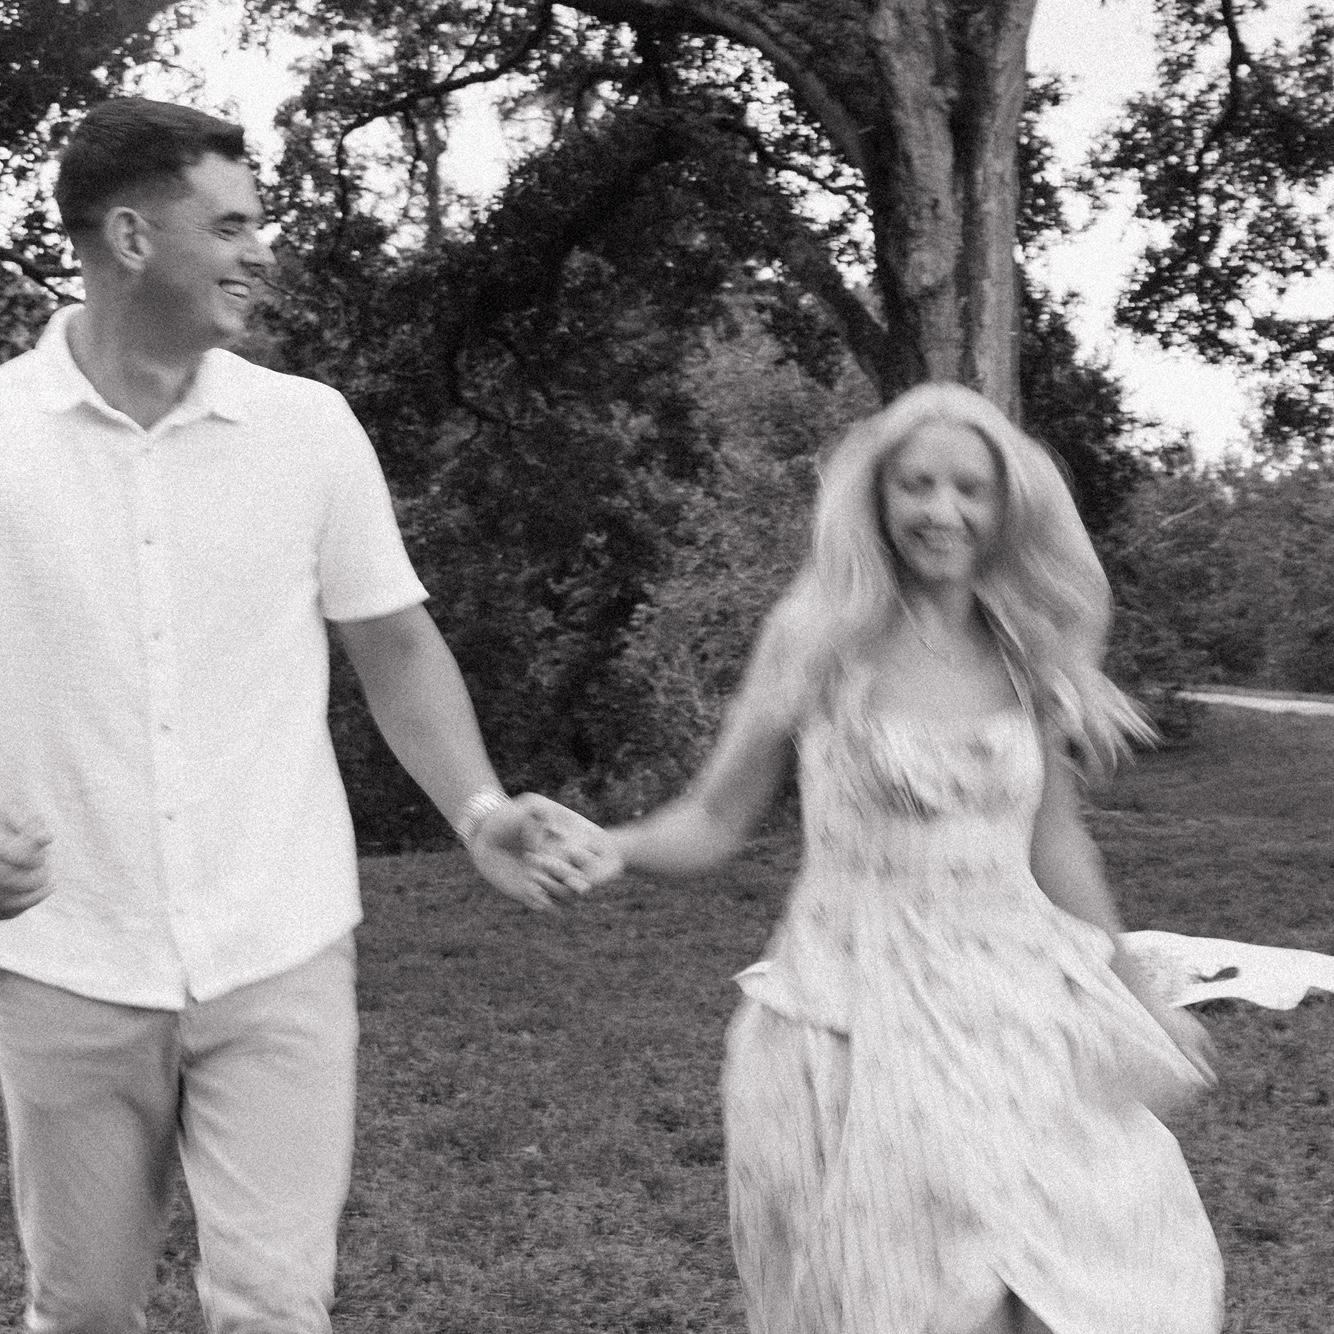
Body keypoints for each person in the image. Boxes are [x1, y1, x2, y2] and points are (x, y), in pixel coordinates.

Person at [0, 96, 594, 1334]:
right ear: (129, 237)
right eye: (229, 225)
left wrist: (476, 807)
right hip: (65, 958)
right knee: (85, 1310)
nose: (260, 252)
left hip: (280, 943)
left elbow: (394, 643)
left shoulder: (306, 428)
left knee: (276, 1307)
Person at [570, 384, 1226, 1334]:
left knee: (1089, 1288)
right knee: (923, 1303)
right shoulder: (818, 639)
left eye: (969, 488)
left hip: (1014, 1015)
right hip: (859, 1016)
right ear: (876, 497)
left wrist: (1141, 995)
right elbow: (714, 816)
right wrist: (616, 845)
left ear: (1006, 507)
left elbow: (1056, 845)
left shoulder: (1025, 649)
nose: (942, 511)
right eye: (916, 484)